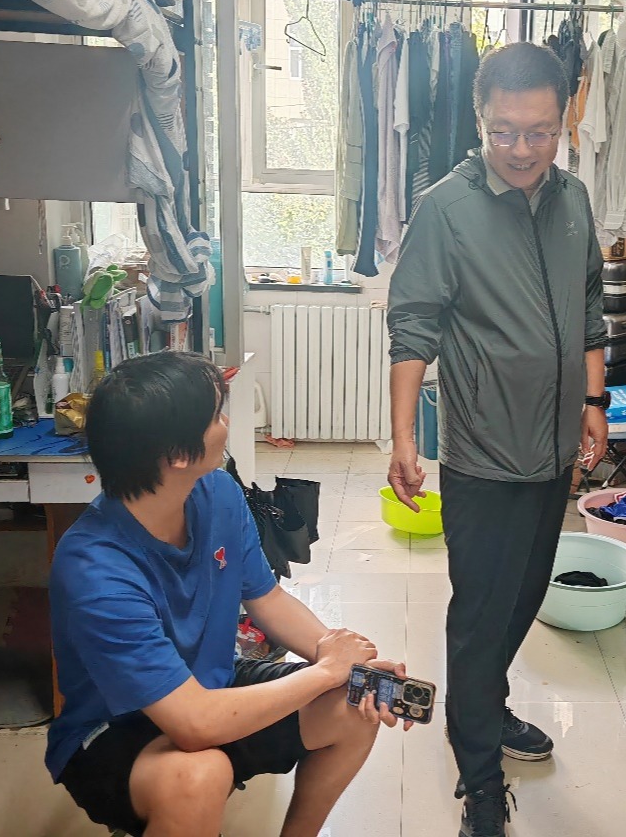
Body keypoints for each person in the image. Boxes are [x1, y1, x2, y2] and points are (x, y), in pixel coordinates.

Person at [386, 42, 609, 837]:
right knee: (480, 617)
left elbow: (589, 304)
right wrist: (403, 438)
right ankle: (479, 778)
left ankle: (485, 706)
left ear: (563, 122)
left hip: (553, 452)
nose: (521, 149)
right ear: (479, 120)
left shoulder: (573, 199)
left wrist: (593, 400)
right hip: (482, 456)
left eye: (539, 132)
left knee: (521, 600)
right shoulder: (445, 208)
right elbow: (412, 326)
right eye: (504, 132)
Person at [45, 352, 409, 837]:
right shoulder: (95, 569)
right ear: (177, 454)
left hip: (211, 688)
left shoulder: (217, 492)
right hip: (115, 728)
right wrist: (326, 670)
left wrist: (341, 661)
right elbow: (194, 723)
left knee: (355, 703)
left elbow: (267, 599)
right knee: (199, 775)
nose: (227, 424)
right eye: (216, 415)